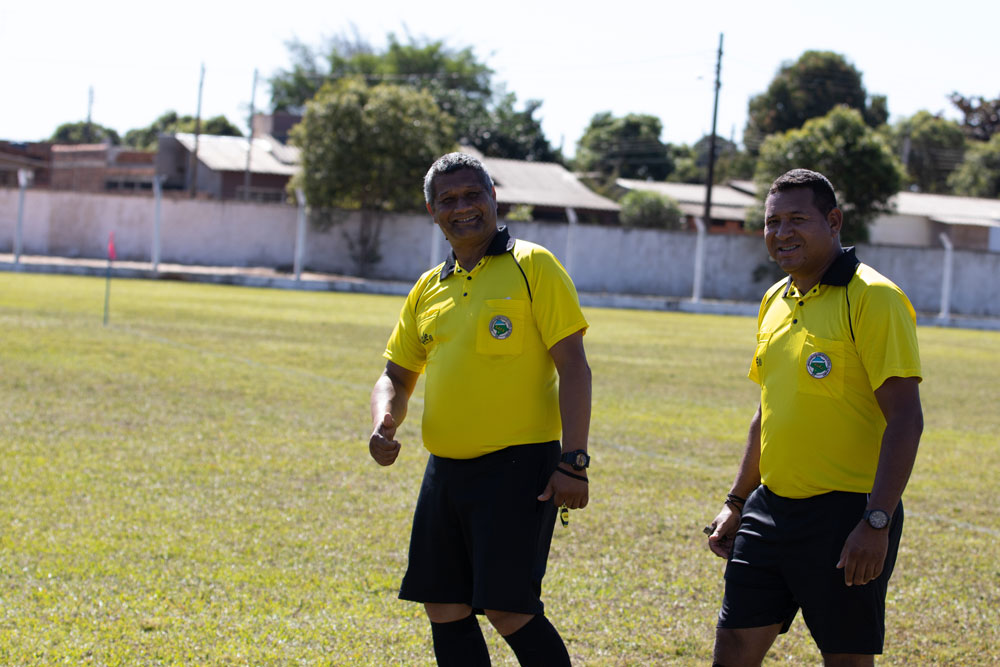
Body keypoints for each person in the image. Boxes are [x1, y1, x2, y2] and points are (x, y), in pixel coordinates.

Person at [368, 152, 592, 667]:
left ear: (494, 198)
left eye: (474, 195)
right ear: (432, 211)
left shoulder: (533, 265)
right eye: (448, 199)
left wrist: (573, 461)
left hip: (519, 467)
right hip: (444, 470)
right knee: (443, 604)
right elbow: (395, 375)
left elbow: (574, 367)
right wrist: (385, 419)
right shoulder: (428, 287)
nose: (463, 208)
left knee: (508, 608)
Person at [705, 169, 924, 667]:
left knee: (845, 659)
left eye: (797, 220)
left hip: (847, 516)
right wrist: (737, 501)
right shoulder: (775, 299)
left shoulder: (874, 297)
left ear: (833, 221)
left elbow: (906, 420)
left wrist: (876, 521)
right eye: (772, 221)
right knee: (733, 650)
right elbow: (767, 411)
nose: (782, 233)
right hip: (770, 509)